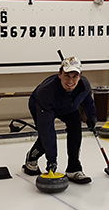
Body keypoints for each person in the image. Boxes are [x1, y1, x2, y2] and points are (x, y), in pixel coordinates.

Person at [22, 56, 97, 184]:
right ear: (59, 74)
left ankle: (74, 168)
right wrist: (52, 161)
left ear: (80, 76)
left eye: (75, 76)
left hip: (69, 107)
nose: (71, 81)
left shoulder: (84, 85)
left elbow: (88, 102)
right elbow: (47, 130)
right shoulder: (46, 91)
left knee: (75, 129)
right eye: (67, 75)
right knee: (46, 136)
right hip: (42, 105)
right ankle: (32, 158)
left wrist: (92, 120)